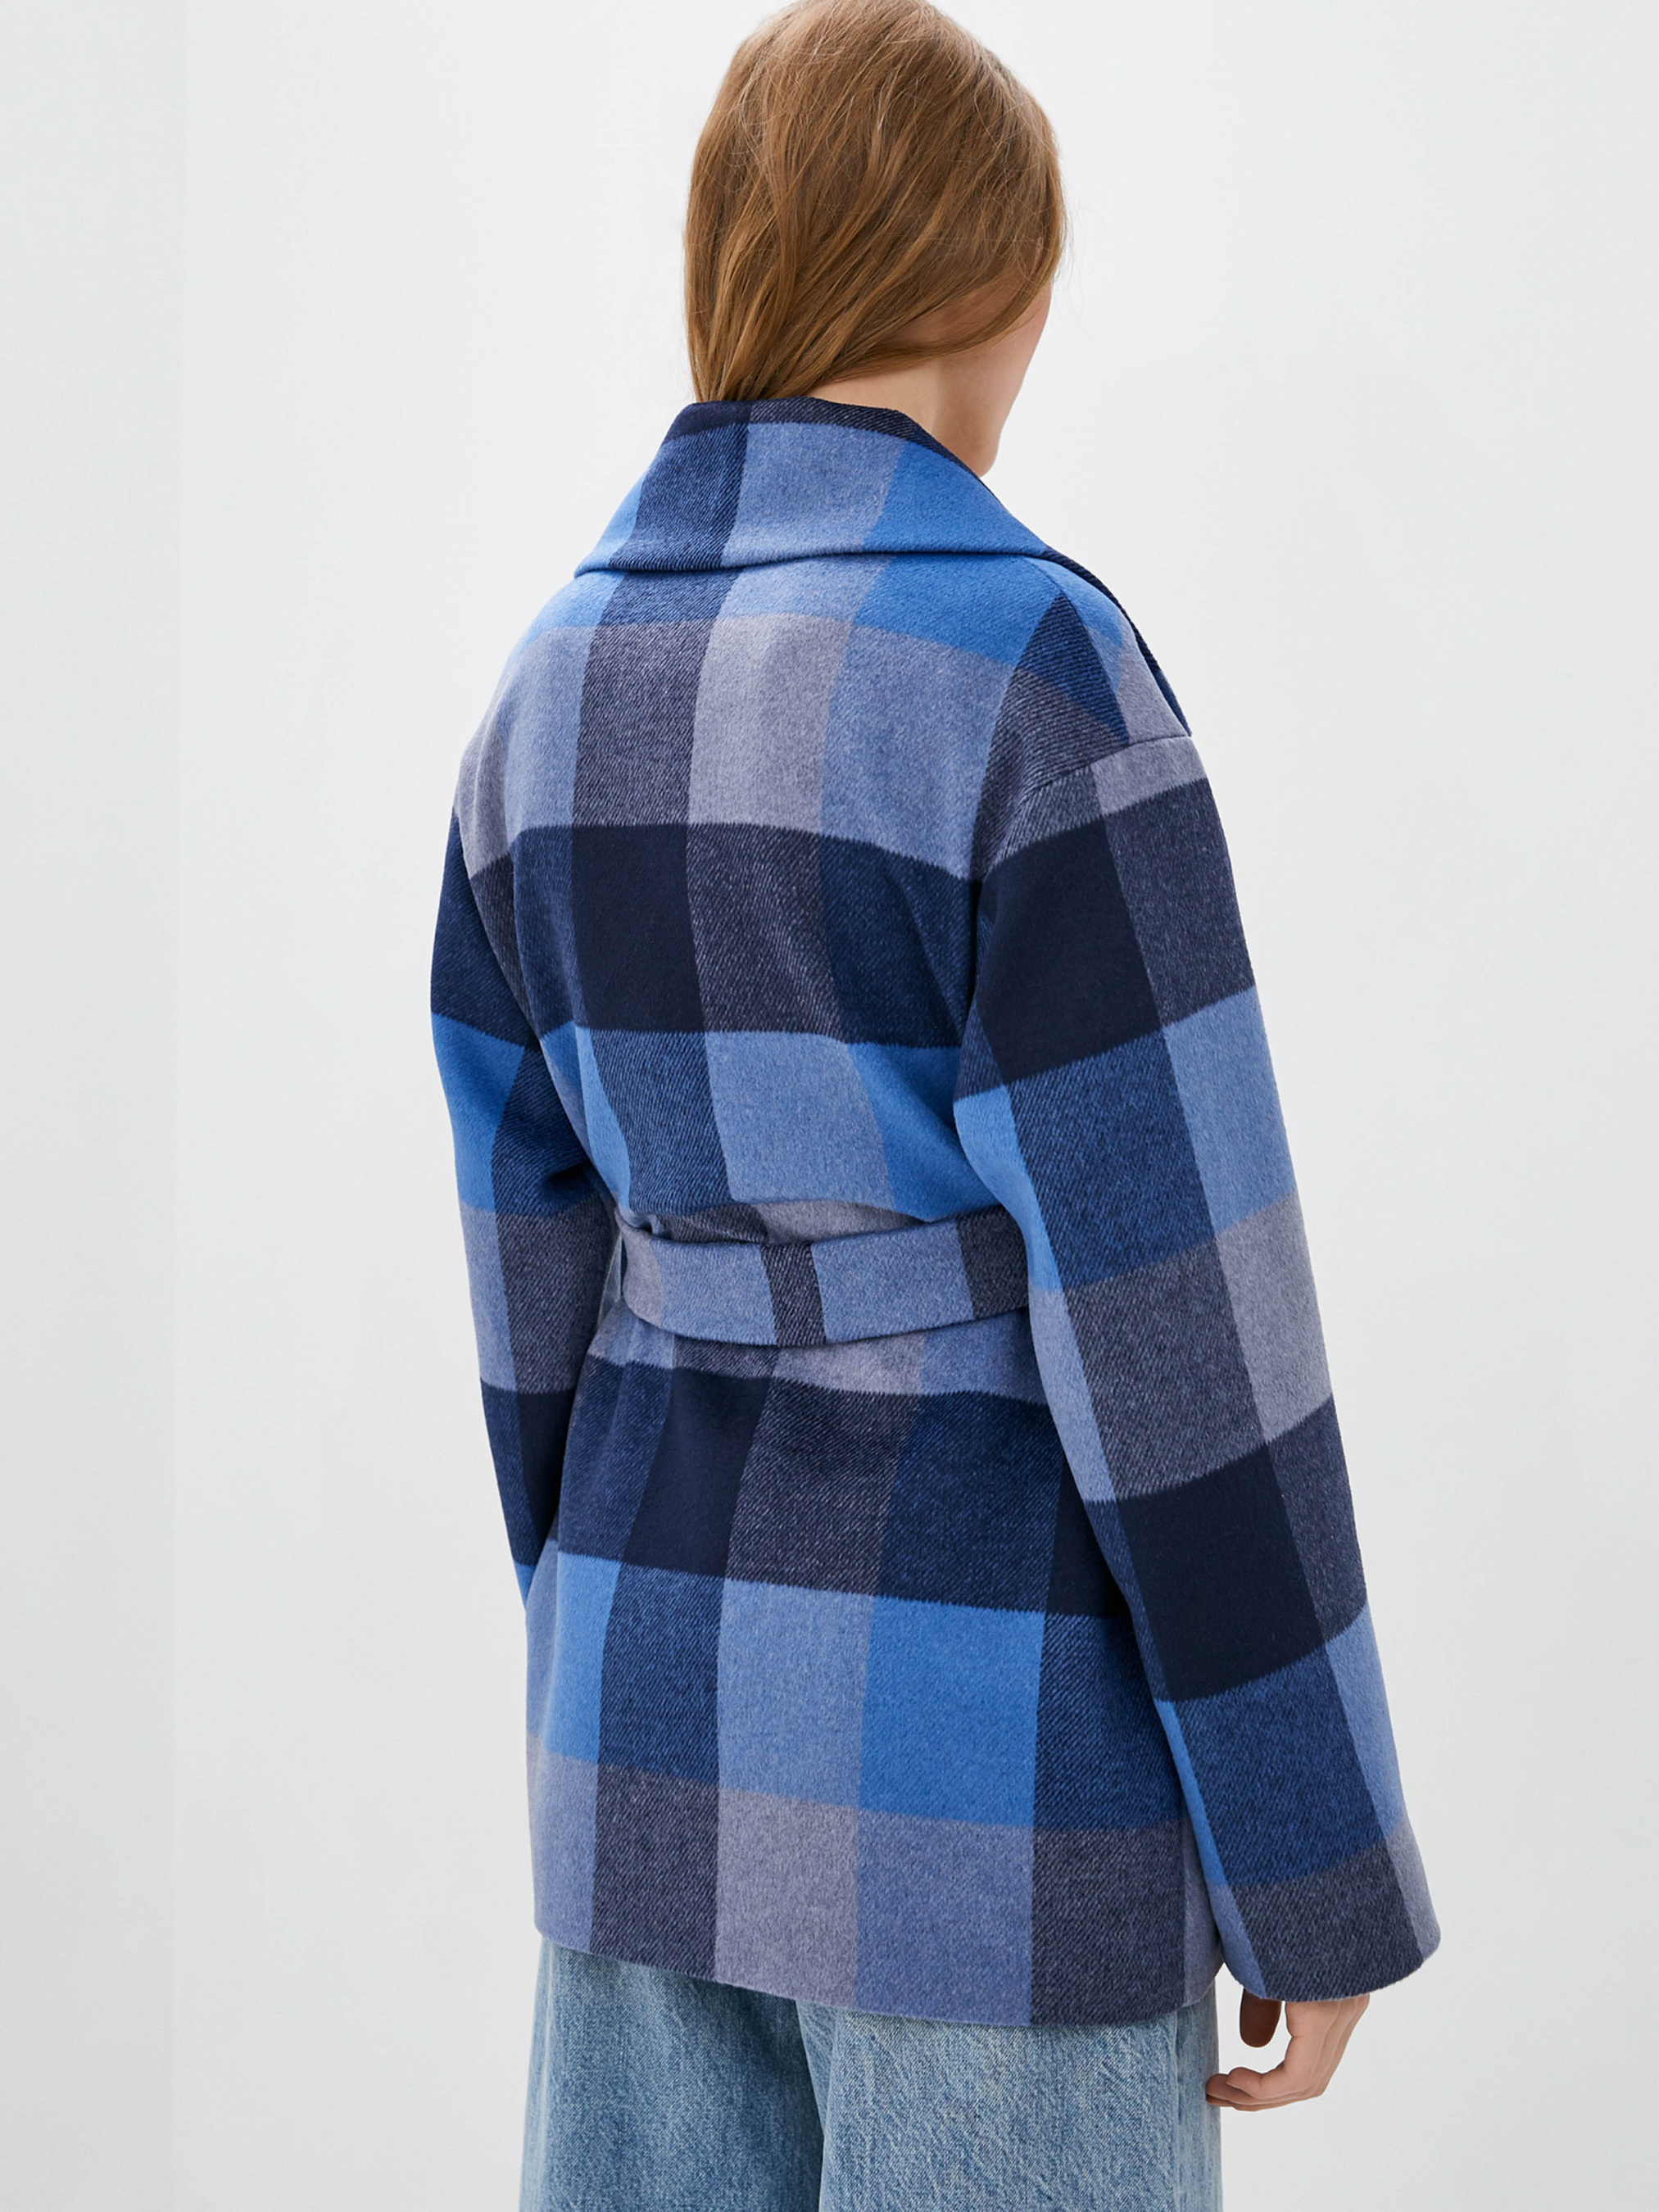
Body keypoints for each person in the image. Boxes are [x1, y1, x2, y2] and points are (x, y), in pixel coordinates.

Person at [431, 2, 1439, 2204]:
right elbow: (1191, 1341)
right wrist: (1313, 1863)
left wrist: (610, 1653)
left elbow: (530, 1325)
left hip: (642, 1748)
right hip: (994, 1783)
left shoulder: (545, 687)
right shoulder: (1031, 671)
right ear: (988, 275)